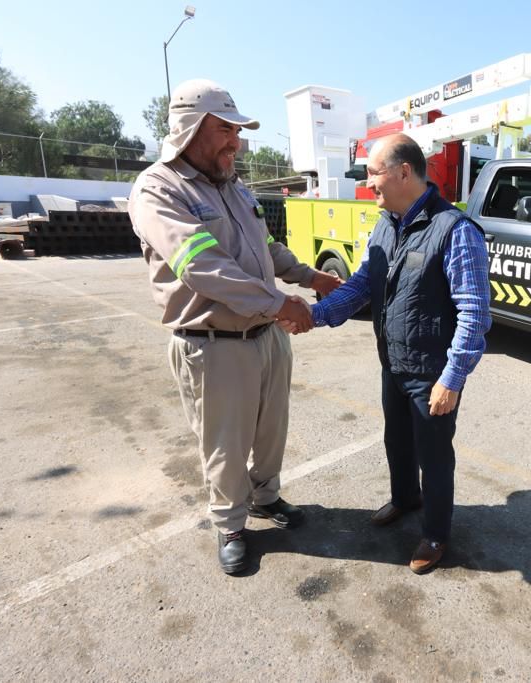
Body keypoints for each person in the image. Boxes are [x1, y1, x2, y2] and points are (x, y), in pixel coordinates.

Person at [127, 79, 341, 574]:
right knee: (225, 443)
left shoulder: (234, 187)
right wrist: (280, 303)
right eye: (225, 129)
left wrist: (311, 278)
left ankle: (266, 497)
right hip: (214, 345)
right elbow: (203, 267)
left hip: (265, 337)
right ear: (189, 128)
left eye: (237, 131)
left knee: (271, 431)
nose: (236, 142)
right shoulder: (159, 189)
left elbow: (265, 250)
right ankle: (230, 524)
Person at [309, 133, 491, 574]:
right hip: (393, 361)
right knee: (397, 441)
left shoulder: (455, 231)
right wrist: (315, 315)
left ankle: (435, 532)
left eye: (373, 173)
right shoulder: (385, 223)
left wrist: (453, 377)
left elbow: (474, 312)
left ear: (403, 172)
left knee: (434, 455)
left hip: (432, 371)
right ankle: (406, 499)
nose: (367, 182)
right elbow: (359, 285)